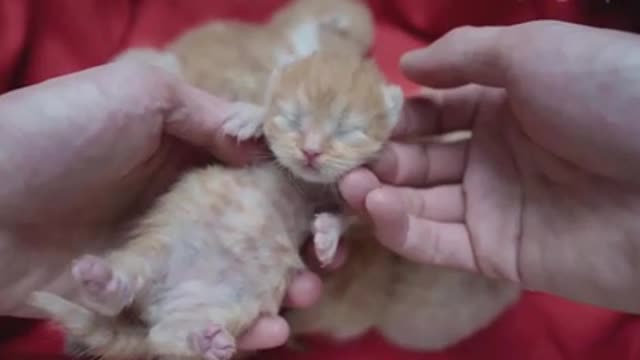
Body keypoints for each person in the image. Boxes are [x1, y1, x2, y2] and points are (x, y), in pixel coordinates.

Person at [0, 19, 639, 351]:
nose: (309, 148)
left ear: (387, 124)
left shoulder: (366, 181)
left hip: (257, 258)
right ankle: (121, 285)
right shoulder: (250, 124)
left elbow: (338, 219)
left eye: (341, 134)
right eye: (295, 122)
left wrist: (333, 224)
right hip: (219, 219)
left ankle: (182, 331)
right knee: (157, 243)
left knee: (237, 307)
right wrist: (250, 120)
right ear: (272, 97)